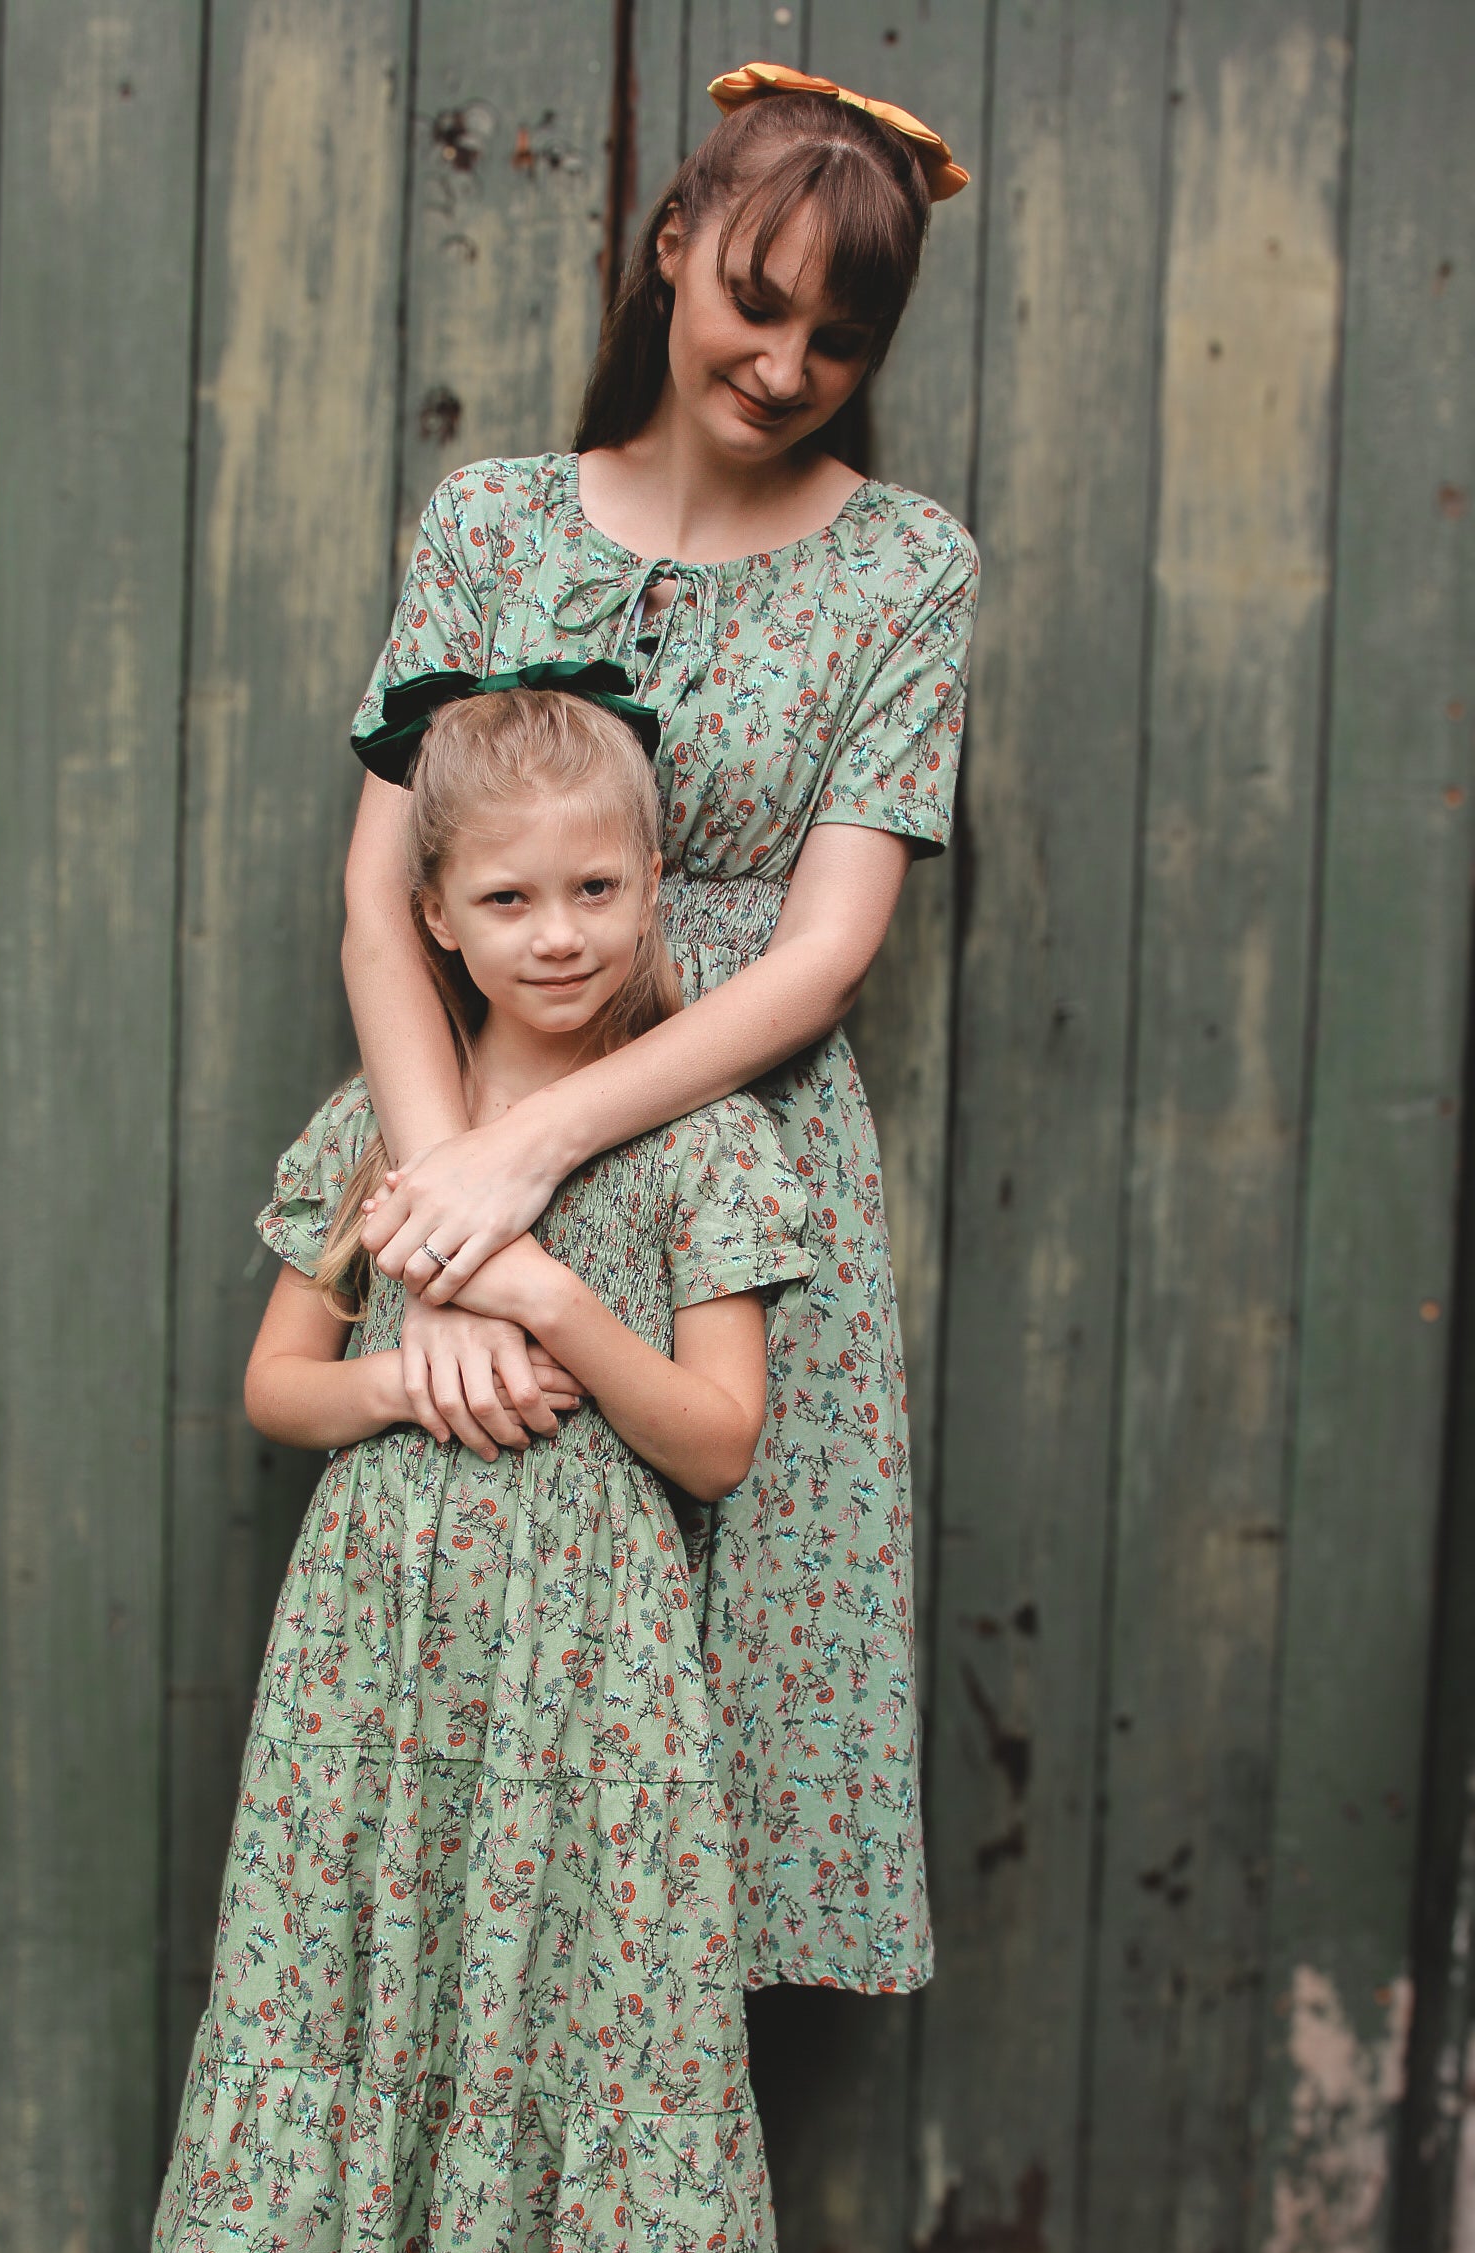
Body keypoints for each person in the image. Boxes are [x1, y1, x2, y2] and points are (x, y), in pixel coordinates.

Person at [138, 680, 815, 2253]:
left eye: (601, 886)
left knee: (619, 2029)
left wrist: (548, 1302)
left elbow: (722, 1437)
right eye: (511, 900)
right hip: (379, 1659)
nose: (563, 933)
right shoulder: (380, 1127)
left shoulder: (704, 1149)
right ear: (437, 917)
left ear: (657, 887)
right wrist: (403, 1382)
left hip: (601, 1674)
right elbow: (279, 1386)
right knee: (319, 2009)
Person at [349, 76, 975, 2081]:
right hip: (453, 1167)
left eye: (840, 339)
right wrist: (453, 1217)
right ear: (677, 245)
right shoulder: (496, 524)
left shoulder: (906, 572)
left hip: (734, 1201)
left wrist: (542, 1144)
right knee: (469, 1750)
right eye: (759, 301)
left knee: (701, 1752)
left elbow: (827, 945)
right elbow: (378, 913)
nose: (784, 365)